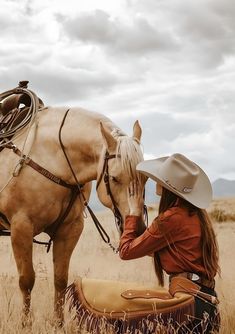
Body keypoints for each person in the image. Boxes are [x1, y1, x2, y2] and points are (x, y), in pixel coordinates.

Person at [119, 153, 220, 333]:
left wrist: (133, 213)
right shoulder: (196, 215)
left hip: (187, 301)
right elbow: (151, 246)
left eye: (160, 179)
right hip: (205, 300)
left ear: (167, 187)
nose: (156, 182)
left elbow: (126, 251)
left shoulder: (171, 218)